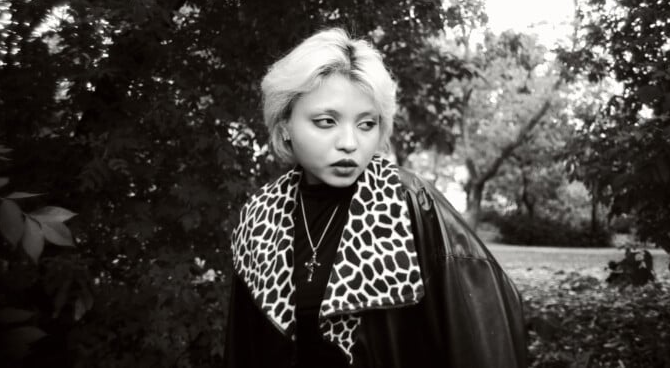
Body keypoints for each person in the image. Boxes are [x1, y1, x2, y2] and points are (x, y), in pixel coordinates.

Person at [225, 28, 529, 368]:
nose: (350, 143)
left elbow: (486, 331)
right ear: (284, 126)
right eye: (326, 121)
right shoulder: (260, 217)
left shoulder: (409, 204)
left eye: (366, 124)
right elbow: (244, 345)